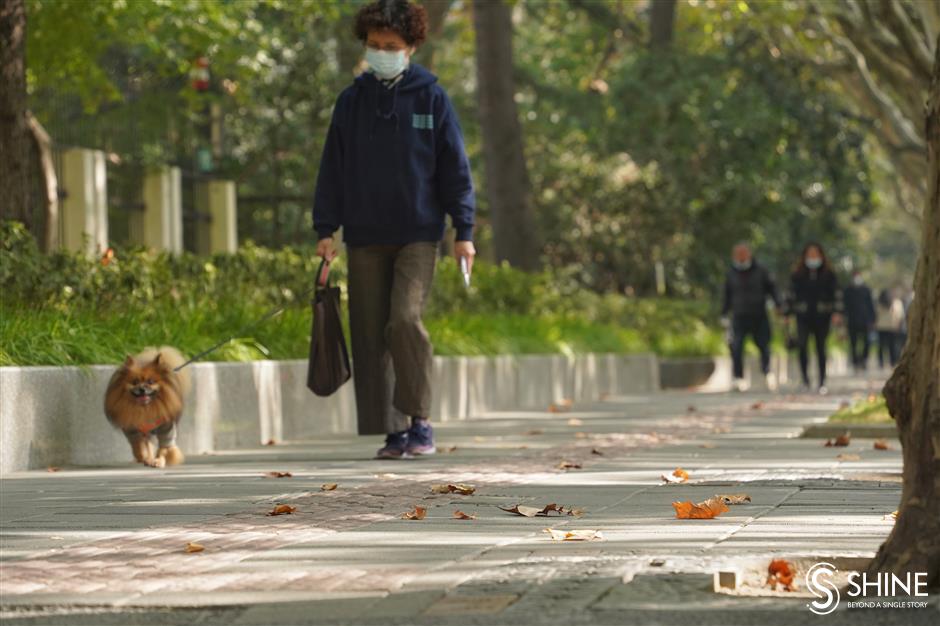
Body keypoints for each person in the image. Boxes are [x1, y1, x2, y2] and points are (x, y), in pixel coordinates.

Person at [313, 0, 476, 459]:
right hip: (364, 235)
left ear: (411, 47)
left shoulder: (431, 98)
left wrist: (464, 229)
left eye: (391, 46)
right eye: (374, 45)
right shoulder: (351, 101)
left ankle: (420, 419)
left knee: (404, 321)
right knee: (369, 333)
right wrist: (326, 228)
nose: (381, 52)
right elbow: (333, 168)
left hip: (418, 234)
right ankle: (393, 429)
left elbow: (454, 168)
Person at [720, 243, 781, 392]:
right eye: (737, 254)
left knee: (764, 345)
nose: (740, 256)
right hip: (739, 316)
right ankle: (738, 378)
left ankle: (767, 373)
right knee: (736, 346)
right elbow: (727, 295)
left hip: (759, 315)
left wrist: (779, 305)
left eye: (743, 253)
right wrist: (723, 313)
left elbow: (772, 289)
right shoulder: (731, 273)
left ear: (749, 254)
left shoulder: (761, 270)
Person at [788, 242, 841, 394]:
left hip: (822, 316)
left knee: (820, 348)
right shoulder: (797, 274)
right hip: (802, 315)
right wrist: (787, 314)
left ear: (821, 255)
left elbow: (836, 295)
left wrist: (837, 312)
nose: (812, 257)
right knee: (802, 346)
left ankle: (822, 381)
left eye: (815, 254)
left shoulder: (829, 274)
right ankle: (805, 380)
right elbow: (790, 295)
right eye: (809, 254)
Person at [842, 270, 876, 372]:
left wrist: (872, 319)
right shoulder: (848, 290)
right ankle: (855, 361)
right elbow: (845, 306)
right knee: (853, 343)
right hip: (852, 321)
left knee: (867, 342)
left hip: (865, 321)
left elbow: (871, 305)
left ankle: (864, 359)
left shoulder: (866, 289)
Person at [875, 288, 905, 369]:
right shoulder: (897, 303)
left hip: (882, 327)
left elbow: (876, 314)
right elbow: (900, 315)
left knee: (882, 346)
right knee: (892, 346)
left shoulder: (880, 303)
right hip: (892, 327)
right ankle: (893, 362)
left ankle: (882, 362)